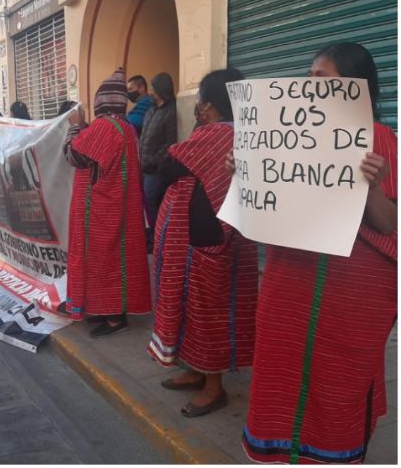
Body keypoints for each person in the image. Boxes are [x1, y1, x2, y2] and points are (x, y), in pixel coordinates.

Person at [239, 42, 396, 464]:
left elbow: (389, 224)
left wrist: (373, 185)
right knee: (280, 376)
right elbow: (266, 208)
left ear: (355, 86)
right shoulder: (287, 135)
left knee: (339, 384)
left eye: (321, 79)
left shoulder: (383, 139)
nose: (309, 88)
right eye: (307, 79)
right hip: (289, 286)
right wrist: (247, 175)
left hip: (350, 301)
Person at [148, 68, 258, 418]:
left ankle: (214, 387)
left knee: (207, 308)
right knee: (201, 306)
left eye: (200, 102)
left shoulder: (216, 134)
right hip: (223, 235)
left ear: (209, 105)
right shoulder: (250, 134)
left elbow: (168, 164)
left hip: (210, 240)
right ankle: (196, 370)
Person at [61, 67, 151, 337]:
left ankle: (114, 318)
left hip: (100, 210)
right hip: (119, 206)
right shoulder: (126, 127)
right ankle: (104, 311)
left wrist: (76, 124)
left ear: (102, 102)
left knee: (103, 263)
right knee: (116, 262)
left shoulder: (104, 127)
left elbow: (73, 154)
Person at [138, 73, 178, 251]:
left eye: (153, 88)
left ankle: (157, 237)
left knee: (151, 199)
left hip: (155, 169)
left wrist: (152, 161)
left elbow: (170, 143)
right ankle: (152, 236)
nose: (151, 91)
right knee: (147, 202)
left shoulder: (170, 112)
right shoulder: (151, 110)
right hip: (145, 166)